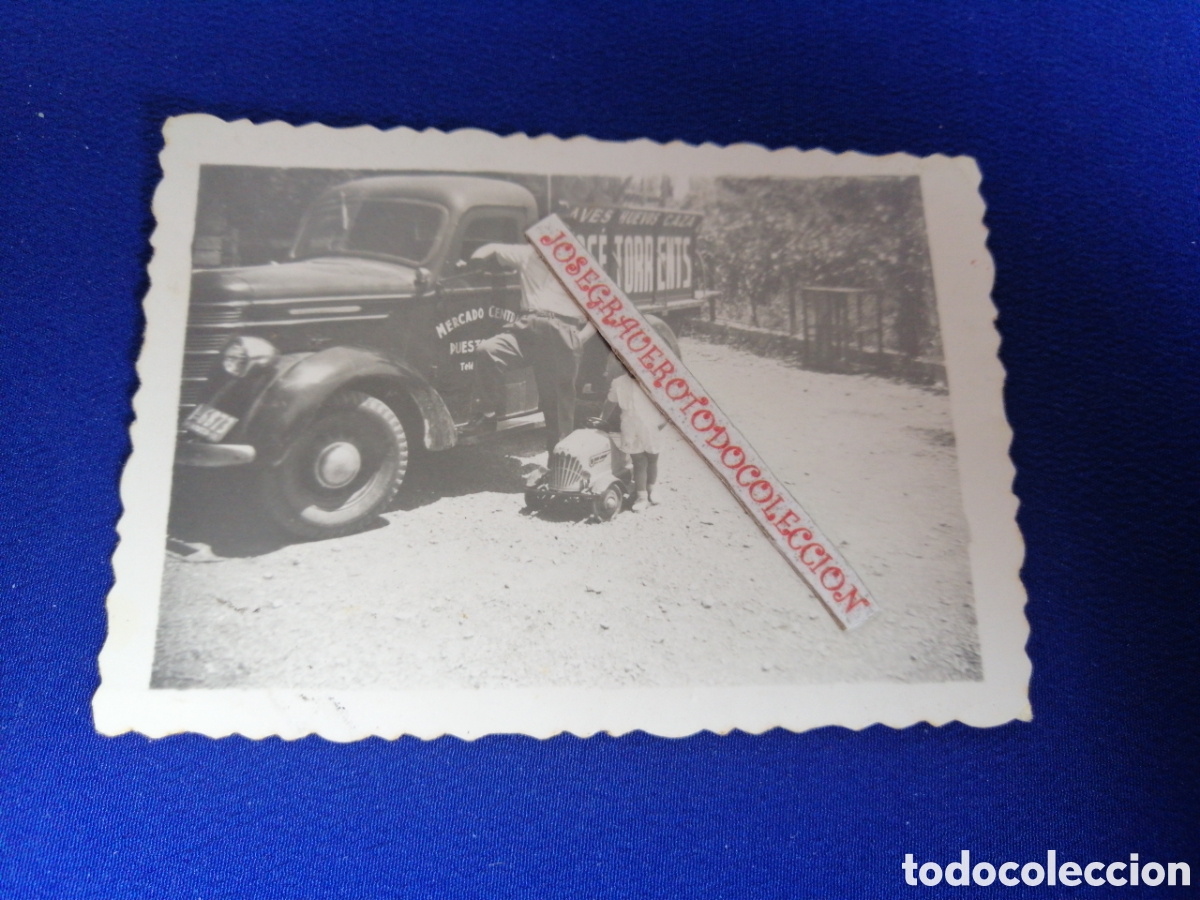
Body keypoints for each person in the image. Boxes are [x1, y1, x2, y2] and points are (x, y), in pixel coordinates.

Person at [463, 243, 594, 452]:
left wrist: (580, 339)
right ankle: (486, 417)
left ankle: (559, 471)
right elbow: (491, 248)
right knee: (488, 350)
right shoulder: (527, 254)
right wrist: (473, 262)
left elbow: (603, 313)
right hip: (526, 327)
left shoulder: (581, 267)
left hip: (561, 329)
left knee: (558, 405)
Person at [598, 355, 668, 512]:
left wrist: (662, 423)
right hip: (630, 426)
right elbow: (610, 402)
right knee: (638, 461)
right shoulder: (618, 383)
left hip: (651, 425)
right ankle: (641, 496)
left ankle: (652, 489)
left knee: (652, 459)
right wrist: (601, 420)